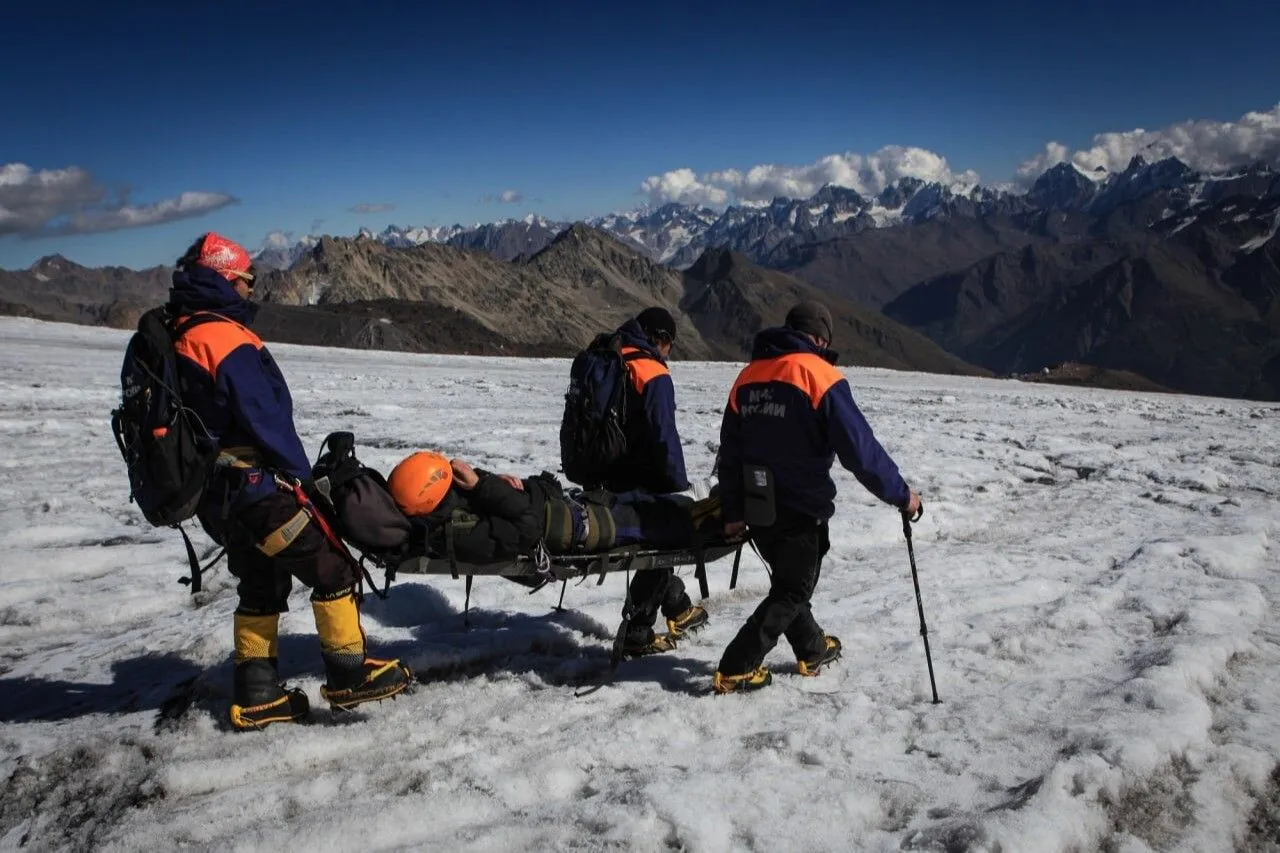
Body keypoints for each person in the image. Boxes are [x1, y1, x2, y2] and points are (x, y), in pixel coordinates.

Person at [170, 233, 412, 729]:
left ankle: (257, 693)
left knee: (261, 580)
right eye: (245, 280)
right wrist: (304, 484)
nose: (250, 290)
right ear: (224, 278)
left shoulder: (177, 331)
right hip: (257, 490)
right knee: (333, 567)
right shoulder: (223, 338)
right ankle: (348, 676)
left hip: (215, 497)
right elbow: (267, 419)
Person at [712, 300, 922, 694]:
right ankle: (736, 665)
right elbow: (861, 449)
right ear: (820, 338)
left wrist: (734, 510)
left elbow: (730, 451)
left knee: (789, 582)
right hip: (800, 504)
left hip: (758, 504)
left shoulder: (748, 375)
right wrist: (902, 495)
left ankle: (811, 648)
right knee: (793, 590)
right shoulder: (819, 375)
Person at [597, 307, 708, 658]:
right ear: (661, 340)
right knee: (665, 538)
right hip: (637, 481)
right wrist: (679, 484)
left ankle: (677, 605)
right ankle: (637, 632)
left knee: (658, 540)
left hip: (602, 474)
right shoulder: (651, 372)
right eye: (669, 344)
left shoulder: (608, 356)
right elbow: (664, 436)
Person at [385, 452, 697, 565]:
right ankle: (712, 520)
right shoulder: (461, 533)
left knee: (646, 501)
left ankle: (702, 507)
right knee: (668, 519)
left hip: (566, 507)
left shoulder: (446, 503)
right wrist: (483, 485)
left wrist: (486, 480)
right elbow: (527, 525)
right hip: (574, 527)